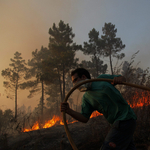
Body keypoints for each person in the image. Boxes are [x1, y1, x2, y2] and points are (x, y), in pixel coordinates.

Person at [61, 68, 137, 150]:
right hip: (117, 123)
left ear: (83, 77)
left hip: (125, 119)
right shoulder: (86, 98)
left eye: (76, 80)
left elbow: (122, 78)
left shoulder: (101, 78)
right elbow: (84, 118)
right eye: (73, 82)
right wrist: (69, 111)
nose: (75, 84)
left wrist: (119, 79)